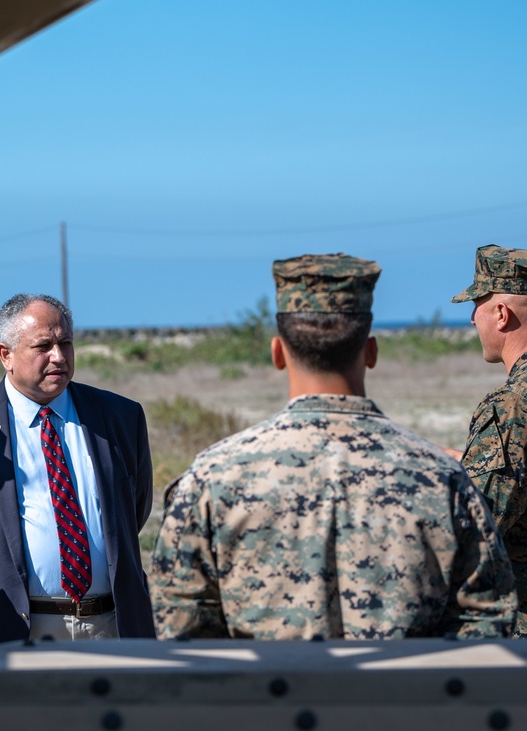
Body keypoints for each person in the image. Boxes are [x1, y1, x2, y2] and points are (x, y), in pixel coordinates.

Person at [152, 253, 515, 641]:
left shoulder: (212, 478)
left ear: (278, 353)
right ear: (371, 352)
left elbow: (181, 632)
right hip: (403, 698)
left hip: (267, 698)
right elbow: (486, 624)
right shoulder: (443, 481)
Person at [0, 293, 155, 647]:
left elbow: (133, 511)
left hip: (110, 626)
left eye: (65, 343)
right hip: (5, 630)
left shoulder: (119, 417)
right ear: (5, 355)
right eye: (43, 346)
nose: (58, 356)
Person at [450, 245, 527, 635]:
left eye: (477, 304)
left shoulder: (511, 407)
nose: (470, 318)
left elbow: (472, 529)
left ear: (500, 313)